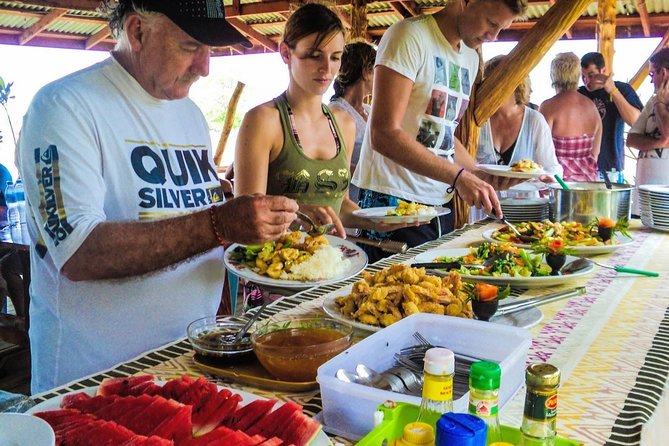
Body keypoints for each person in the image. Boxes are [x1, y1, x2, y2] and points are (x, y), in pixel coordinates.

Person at [16, 0, 299, 393]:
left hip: (188, 366)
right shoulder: (65, 106)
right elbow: (80, 254)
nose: (205, 67)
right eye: (190, 46)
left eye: (209, 50)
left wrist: (267, 227)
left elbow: (194, 231)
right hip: (95, 381)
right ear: (137, 31)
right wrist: (220, 223)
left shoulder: (191, 116)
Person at [350, 0, 527, 263]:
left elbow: (440, 133)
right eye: (491, 23)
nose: (494, 36)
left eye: (501, 28)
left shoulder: (470, 57)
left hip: (435, 206)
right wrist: (458, 177)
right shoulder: (409, 36)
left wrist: (481, 176)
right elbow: (383, 133)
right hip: (393, 201)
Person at [234, 4, 409, 238]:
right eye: (315, 56)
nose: (327, 68)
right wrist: (299, 215)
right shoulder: (263, 121)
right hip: (274, 268)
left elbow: (341, 206)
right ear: (286, 53)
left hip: (332, 265)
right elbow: (244, 218)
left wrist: (377, 220)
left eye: (335, 58)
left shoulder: (344, 125)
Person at [476, 55, 562, 176]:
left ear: (515, 86)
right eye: (486, 86)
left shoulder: (534, 120)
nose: (488, 91)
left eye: (495, 85)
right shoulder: (479, 120)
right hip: (484, 195)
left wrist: (545, 178)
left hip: (526, 194)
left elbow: (552, 168)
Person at [579, 52, 643, 181]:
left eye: (591, 75)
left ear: (603, 70)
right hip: (582, 166)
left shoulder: (622, 89)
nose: (586, 81)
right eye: (583, 76)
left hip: (611, 167)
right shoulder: (580, 94)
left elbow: (636, 121)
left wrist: (612, 91)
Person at [540, 52, 602, 182]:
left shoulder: (548, 107)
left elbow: (540, 153)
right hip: (589, 184)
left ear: (553, 75)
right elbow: (595, 155)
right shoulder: (592, 107)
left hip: (560, 184)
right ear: (578, 75)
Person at [329, 41, 376, 204]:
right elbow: (333, 165)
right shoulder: (337, 113)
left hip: (371, 205)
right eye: (376, 70)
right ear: (366, 72)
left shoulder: (370, 111)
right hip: (349, 206)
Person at [626, 48, 669, 214]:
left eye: (652, 75)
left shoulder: (656, 101)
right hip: (645, 190)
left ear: (663, 73)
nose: (651, 81)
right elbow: (632, 139)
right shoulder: (652, 100)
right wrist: (658, 143)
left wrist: (660, 104)